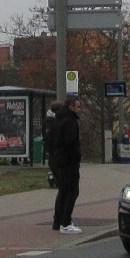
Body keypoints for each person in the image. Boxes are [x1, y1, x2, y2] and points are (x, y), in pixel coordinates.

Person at [46, 98, 82, 235]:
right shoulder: (70, 122)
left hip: (58, 160)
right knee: (72, 191)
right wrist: (76, 157)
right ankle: (66, 222)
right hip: (69, 162)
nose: (79, 110)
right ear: (71, 107)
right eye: (78, 107)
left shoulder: (57, 120)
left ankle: (58, 221)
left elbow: (50, 141)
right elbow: (71, 143)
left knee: (63, 191)